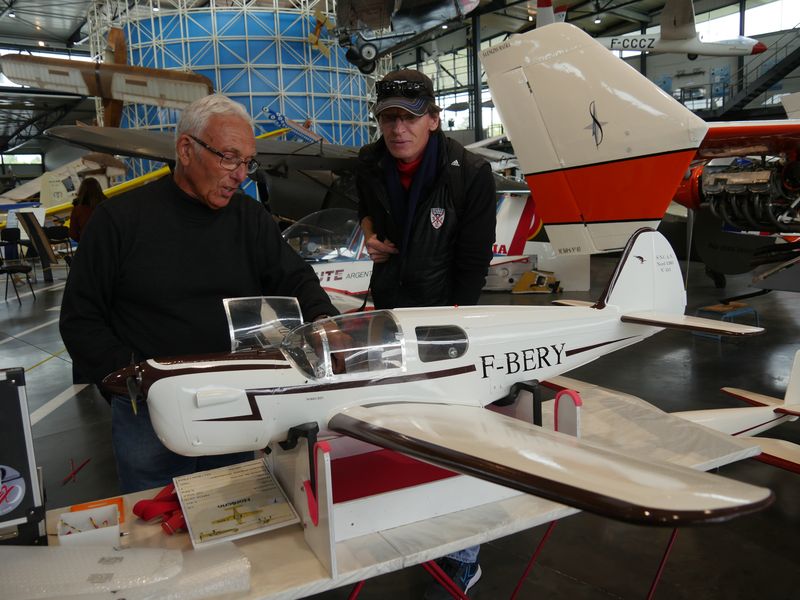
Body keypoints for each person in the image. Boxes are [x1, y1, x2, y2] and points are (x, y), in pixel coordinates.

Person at [60, 94, 338, 494]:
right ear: (186, 150)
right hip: (150, 410)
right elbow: (80, 319)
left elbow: (296, 279)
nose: (240, 174)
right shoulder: (119, 221)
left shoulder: (250, 220)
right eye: (229, 158)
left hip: (233, 404)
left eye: (247, 162)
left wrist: (325, 320)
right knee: (156, 525)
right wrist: (134, 379)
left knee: (233, 513)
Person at [356, 69, 496, 598]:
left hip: (445, 318)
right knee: (394, 426)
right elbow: (365, 213)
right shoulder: (370, 164)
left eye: (410, 117)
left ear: (433, 120)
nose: (398, 129)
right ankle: (411, 522)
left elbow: (474, 260)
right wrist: (365, 232)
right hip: (390, 314)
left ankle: (464, 554)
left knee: (452, 435)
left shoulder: (471, 173)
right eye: (389, 117)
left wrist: (455, 334)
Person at [69, 177, 107, 242]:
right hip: (109, 245)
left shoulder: (78, 210)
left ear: (82, 191)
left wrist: (84, 242)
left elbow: (73, 234)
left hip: (89, 246)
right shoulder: (108, 206)